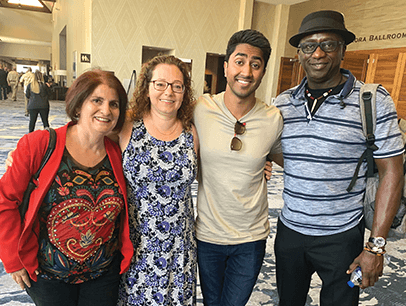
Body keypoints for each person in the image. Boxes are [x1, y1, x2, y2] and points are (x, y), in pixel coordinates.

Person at [271, 10, 404, 306]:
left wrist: (376, 248)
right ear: (299, 54)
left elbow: (392, 172)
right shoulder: (282, 103)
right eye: (309, 46)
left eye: (328, 44)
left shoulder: (371, 101)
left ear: (343, 49)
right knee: (287, 302)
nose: (317, 53)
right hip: (290, 231)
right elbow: (283, 155)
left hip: (341, 235)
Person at [0, 69, 134, 306]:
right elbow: (5, 201)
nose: (106, 110)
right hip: (49, 277)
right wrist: (13, 260)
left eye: (114, 104)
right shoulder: (39, 144)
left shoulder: (118, 152)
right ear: (79, 104)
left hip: (103, 276)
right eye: (97, 100)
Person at [193, 29, 283, 306]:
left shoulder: (273, 118)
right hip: (208, 234)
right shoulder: (200, 109)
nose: (246, 71)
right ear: (226, 66)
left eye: (255, 64)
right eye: (239, 61)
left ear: (263, 71)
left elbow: (284, 157)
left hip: (251, 237)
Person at [115, 55, 199, 305]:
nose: (169, 92)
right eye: (160, 84)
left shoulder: (192, 132)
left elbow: (220, 164)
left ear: (184, 92)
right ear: (147, 87)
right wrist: (32, 151)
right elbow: (84, 136)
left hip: (179, 247)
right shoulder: (127, 125)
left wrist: (262, 165)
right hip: (137, 245)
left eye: (177, 85)